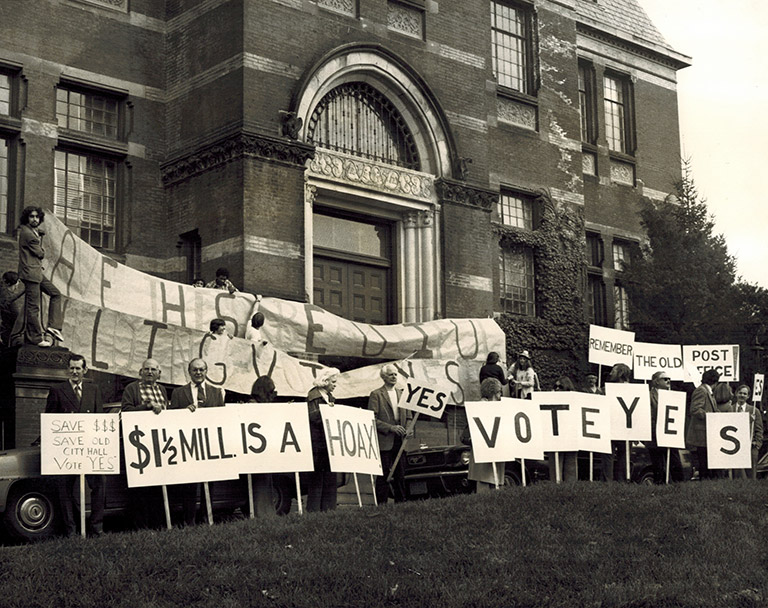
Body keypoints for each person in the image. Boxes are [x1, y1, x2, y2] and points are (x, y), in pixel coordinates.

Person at [45, 354, 104, 536]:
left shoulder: (93, 390)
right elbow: (50, 420)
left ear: (84, 370)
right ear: (67, 370)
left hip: (89, 449)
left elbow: (99, 419)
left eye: (78, 368)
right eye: (71, 368)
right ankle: (71, 530)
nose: (74, 371)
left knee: (99, 485)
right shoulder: (57, 390)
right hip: (66, 450)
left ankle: (96, 528)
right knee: (65, 489)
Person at [169, 358, 225, 525]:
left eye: (201, 370)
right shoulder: (179, 393)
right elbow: (171, 419)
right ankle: (189, 521)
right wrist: (184, 413)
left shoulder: (216, 392)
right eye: (195, 370)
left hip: (210, 446)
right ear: (189, 372)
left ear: (206, 371)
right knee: (190, 486)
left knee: (210, 485)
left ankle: (207, 519)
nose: (198, 373)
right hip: (189, 446)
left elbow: (222, 419)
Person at [121, 358, 168, 528]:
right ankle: (140, 526)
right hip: (139, 445)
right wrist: (146, 407)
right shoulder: (132, 389)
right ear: (140, 372)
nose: (149, 372)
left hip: (158, 444)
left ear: (159, 374)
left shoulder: (161, 390)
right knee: (140, 488)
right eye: (146, 369)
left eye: (153, 369)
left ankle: (158, 524)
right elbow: (125, 411)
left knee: (157, 486)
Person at [17, 206, 64, 347]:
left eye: (37, 217)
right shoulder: (29, 235)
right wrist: (40, 243)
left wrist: (39, 232)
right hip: (31, 274)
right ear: (26, 218)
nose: (35, 219)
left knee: (55, 293)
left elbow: (37, 232)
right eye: (31, 217)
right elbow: (40, 253)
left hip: (36, 272)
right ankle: (35, 339)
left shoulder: (32, 231)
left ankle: (54, 326)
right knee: (33, 307)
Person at [368, 364, 411, 504]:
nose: (394, 377)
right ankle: (381, 504)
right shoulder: (376, 395)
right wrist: (390, 428)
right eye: (391, 374)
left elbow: (409, 416)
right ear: (384, 377)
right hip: (385, 440)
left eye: (396, 374)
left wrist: (408, 429)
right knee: (384, 474)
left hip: (401, 440)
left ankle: (401, 503)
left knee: (401, 473)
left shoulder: (402, 393)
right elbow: (371, 418)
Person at [306, 368, 340, 512]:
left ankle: (328, 509)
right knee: (317, 479)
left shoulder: (328, 397)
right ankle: (314, 510)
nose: (335, 384)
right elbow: (313, 417)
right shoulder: (313, 396)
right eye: (333, 381)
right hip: (317, 444)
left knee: (330, 478)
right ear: (325, 381)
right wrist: (330, 413)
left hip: (328, 444)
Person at [462, 377, 503, 493]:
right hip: (486, 454)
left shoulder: (478, 406)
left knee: (484, 487)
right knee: (487, 488)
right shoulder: (491, 408)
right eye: (500, 392)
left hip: (481, 455)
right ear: (495, 393)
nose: (500, 396)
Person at [247, 376, 278, 517]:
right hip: (256, 454)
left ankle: (267, 514)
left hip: (262, 452)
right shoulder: (253, 405)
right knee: (260, 484)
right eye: (271, 390)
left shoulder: (258, 404)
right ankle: (263, 515)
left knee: (265, 483)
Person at [645, 371, 684, 483]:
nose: (668, 381)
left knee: (674, 459)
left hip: (669, 432)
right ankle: (660, 485)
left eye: (669, 379)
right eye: (665, 379)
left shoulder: (672, 395)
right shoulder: (649, 395)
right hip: (655, 434)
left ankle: (678, 484)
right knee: (658, 463)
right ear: (656, 381)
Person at [686, 368, 720, 480]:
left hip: (706, 433)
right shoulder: (701, 391)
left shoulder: (706, 391)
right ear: (715, 381)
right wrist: (710, 416)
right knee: (704, 463)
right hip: (702, 434)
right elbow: (695, 409)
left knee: (706, 462)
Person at [602, 362, 631, 482]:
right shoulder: (606, 389)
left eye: (613, 371)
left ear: (620, 373)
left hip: (626, 427)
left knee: (624, 456)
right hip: (609, 426)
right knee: (607, 455)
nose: (610, 373)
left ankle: (621, 482)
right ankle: (607, 482)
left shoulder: (633, 390)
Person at [548, 376, 578, 482]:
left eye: (560, 387)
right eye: (555, 386)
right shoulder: (549, 399)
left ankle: (570, 490)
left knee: (570, 468)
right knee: (555, 466)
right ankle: (556, 489)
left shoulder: (574, 400)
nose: (557, 389)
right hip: (554, 437)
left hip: (569, 437)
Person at [732, 385, 763, 479]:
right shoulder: (730, 409)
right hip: (735, 447)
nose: (742, 395)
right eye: (740, 393)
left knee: (751, 475)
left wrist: (757, 444)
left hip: (750, 447)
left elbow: (759, 429)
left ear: (748, 396)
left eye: (745, 394)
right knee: (737, 475)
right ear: (736, 394)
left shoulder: (754, 411)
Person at [0, 271, 24, 346]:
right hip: (10, 332)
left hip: (5, 331)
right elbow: (16, 317)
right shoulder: (7, 298)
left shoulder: (3, 294)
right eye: (17, 283)